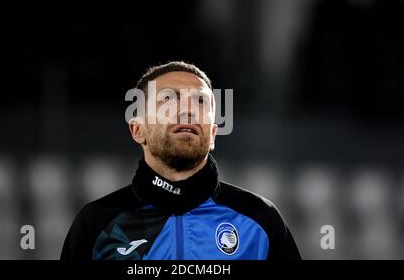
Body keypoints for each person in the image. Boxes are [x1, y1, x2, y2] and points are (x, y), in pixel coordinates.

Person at [61, 61, 301, 260]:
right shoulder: (95, 224)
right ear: (138, 130)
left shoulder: (260, 221)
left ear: (214, 135)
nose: (188, 110)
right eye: (168, 99)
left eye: (200, 101)